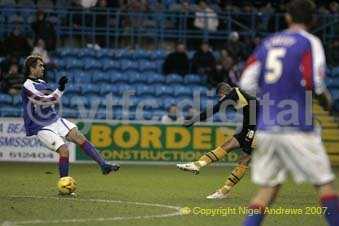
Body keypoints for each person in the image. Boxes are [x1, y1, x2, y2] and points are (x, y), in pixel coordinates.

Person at [239, 1, 338, 225]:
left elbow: (246, 82)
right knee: (323, 184)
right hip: (297, 126)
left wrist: (270, 97)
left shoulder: (267, 43)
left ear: (287, 18)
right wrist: (325, 100)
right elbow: (315, 81)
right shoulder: (309, 42)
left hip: (266, 126)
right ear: (313, 20)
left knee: (267, 190)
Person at [21, 55, 120, 195]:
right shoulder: (27, 85)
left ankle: (103, 165)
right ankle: (64, 185)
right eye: (40, 65)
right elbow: (44, 101)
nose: (43, 68)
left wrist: (59, 89)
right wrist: (60, 89)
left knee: (79, 137)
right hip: (41, 126)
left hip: (54, 119)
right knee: (64, 151)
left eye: (43, 65)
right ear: (31, 68)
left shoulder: (41, 82)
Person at [176, 82, 258, 199]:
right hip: (249, 127)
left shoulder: (233, 93)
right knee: (227, 145)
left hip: (260, 128)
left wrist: (193, 120)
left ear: (223, 93)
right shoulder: (238, 96)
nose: (221, 99)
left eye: (220, 97)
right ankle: (197, 164)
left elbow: (214, 110)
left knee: (244, 159)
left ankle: (224, 191)